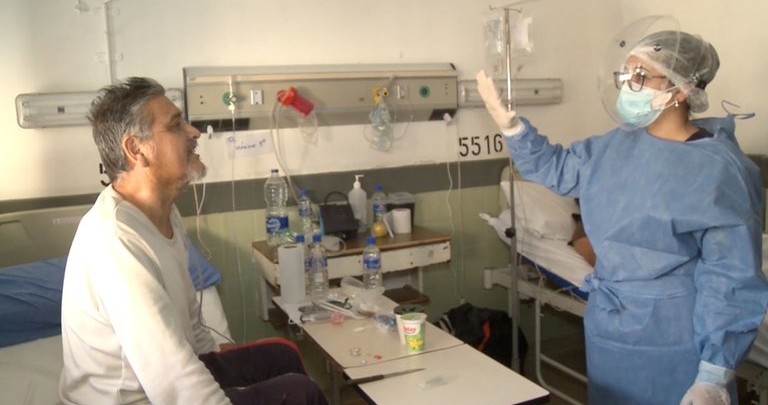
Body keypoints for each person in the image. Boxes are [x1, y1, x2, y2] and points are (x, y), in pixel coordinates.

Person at [476, 16, 768, 405]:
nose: (629, 85)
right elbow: (557, 169)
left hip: (675, 336)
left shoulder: (717, 170)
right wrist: (513, 128)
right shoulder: (611, 148)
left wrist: (714, 375)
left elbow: (730, 277)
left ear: (681, 89)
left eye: (641, 76)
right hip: (609, 326)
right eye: (626, 74)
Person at [59, 77, 328, 405]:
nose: (194, 132)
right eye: (176, 125)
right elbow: (172, 381)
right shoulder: (116, 240)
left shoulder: (164, 213)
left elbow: (188, 316)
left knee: (280, 357)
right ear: (136, 149)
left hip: (163, 381)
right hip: (135, 399)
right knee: (300, 393)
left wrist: (216, 359)